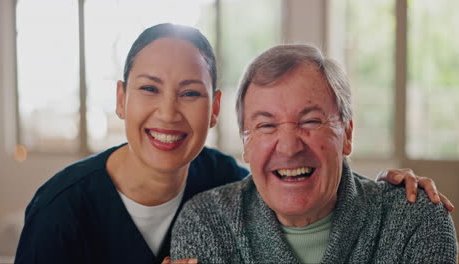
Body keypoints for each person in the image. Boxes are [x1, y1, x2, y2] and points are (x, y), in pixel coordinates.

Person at [14, 24, 451, 264]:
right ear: (120, 100)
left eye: (189, 92)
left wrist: (389, 192)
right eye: (148, 88)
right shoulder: (61, 212)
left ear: (215, 109)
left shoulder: (224, 178)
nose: (168, 113)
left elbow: (291, 181)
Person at [171, 44, 458, 263]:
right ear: (246, 143)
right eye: (266, 125)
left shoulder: (415, 219)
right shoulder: (206, 222)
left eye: (310, 121)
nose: (288, 146)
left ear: (347, 134)